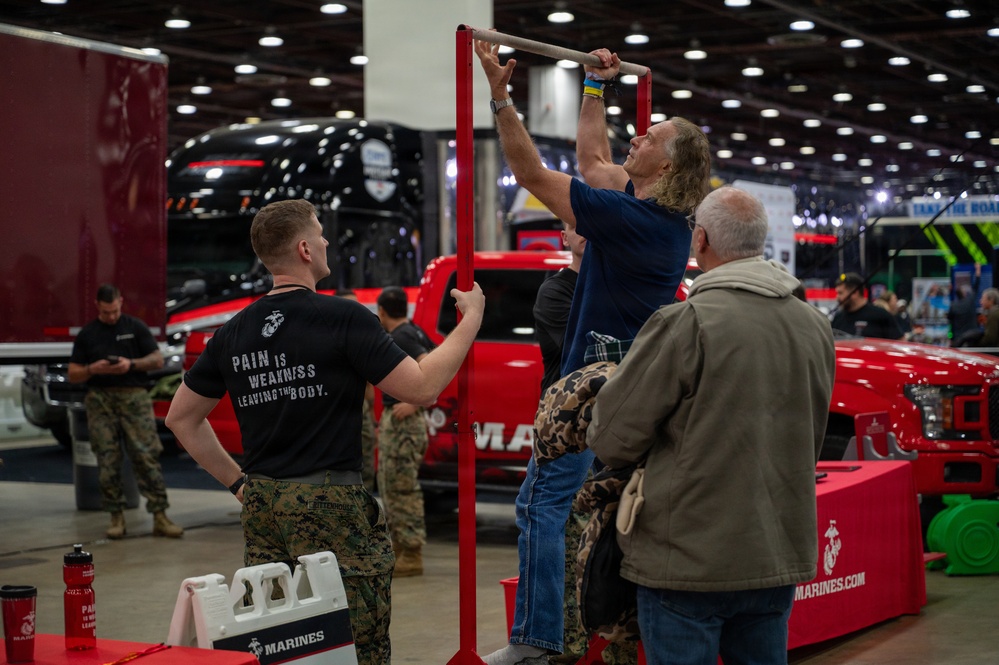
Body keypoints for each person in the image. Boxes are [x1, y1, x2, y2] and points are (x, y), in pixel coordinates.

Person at [165, 199, 484, 665]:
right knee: (357, 642)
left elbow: (181, 418)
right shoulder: (343, 318)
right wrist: (471, 320)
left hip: (264, 506)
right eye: (319, 233)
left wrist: (238, 483)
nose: (326, 240)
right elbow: (421, 387)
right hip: (332, 506)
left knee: (282, 642)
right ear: (304, 250)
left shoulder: (233, 332)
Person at [476, 40, 711, 665]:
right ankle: (590, 637)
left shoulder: (638, 222)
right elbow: (592, 159)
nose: (639, 136)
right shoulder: (648, 208)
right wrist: (594, 87)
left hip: (595, 397)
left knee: (543, 506)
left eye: (651, 136)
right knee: (589, 517)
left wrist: (499, 98)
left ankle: (537, 641)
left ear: (669, 165)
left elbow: (532, 176)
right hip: (617, 394)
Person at [587, 186, 837, 665]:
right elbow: (812, 436)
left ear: (700, 239)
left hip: (687, 560)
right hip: (776, 554)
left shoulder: (686, 323)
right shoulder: (814, 326)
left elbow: (612, 438)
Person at [67, 284, 183, 540]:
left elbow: (156, 360)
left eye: (114, 311)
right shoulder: (88, 334)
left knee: (146, 455)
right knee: (107, 458)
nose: (111, 317)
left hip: (134, 397)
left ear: (121, 302)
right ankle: (116, 516)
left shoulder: (135, 327)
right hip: (100, 399)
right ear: (97, 306)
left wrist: (130, 364)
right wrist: (93, 369)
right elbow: (73, 373)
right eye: (106, 312)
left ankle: (160, 515)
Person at [375, 286, 434, 577]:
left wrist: (416, 401)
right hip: (402, 424)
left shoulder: (402, 336)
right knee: (392, 485)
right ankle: (400, 546)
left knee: (401, 488)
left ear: (381, 311)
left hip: (404, 425)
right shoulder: (415, 331)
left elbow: (430, 368)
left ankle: (411, 552)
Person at [534, 222, 586, 393]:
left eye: (593, 222)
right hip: (568, 402)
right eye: (577, 225)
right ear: (565, 238)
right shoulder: (554, 291)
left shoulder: (620, 284)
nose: (586, 230)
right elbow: (583, 349)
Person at [338, 289, 378, 492]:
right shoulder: (327, 338)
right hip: (337, 413)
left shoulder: (360, 338)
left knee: (366, 468)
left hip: (361, 413)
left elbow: (368, 383)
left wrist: (372, 420)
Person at [830, 273, 904, 339]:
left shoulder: (881, 316)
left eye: (840, 293)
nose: (837, 297)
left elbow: (900, 343)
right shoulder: (838, 318)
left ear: (855, 292)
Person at [949, 264, 981, 345]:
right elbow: (976, 286)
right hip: (972, 336)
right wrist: (978, 271)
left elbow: (951, 322)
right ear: (964, 294)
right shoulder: (969, 300)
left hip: (958, 337)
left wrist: (951, 338)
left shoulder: (953, 306)